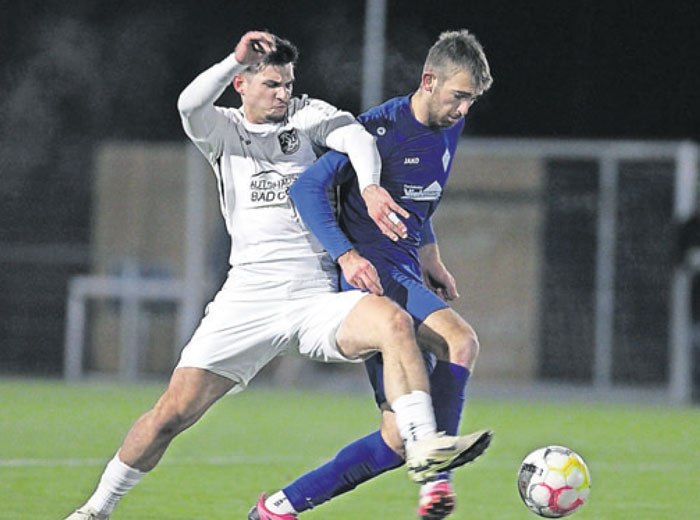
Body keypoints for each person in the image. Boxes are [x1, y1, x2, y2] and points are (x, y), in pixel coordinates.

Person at [62, 31, 491, 520]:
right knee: (169, 415)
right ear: (241, 84)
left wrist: (370, 188)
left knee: (392, 324)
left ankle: (425, 451)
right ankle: (97, 508)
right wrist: (233, 58)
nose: (283, 94)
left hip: (314, 296)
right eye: (271, 84)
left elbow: (355, 137)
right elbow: (187, 104)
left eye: (288, 83)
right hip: (247, 296)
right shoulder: (221, 129)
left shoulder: (308, 117)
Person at [252, 29, 494, 520]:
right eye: (459, 96)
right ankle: (437, 483)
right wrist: (345, 256)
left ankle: (277, 507)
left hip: (407, 267)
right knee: (460, 341)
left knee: (393, 439)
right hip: (375, 277)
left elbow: (419, 197)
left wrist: (431, 254)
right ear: (429, 80)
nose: (464, 109)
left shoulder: (449, 126)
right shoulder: (377, 131)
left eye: (472, 100)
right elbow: (306, 191)